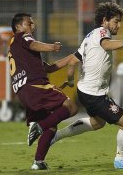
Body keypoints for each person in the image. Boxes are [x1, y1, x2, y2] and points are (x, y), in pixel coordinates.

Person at [51, 2, 123, 169]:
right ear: (105, 20)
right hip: (95, 94)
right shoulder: (102, 33)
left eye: (119, 22)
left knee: (98, 123)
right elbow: (106, 45)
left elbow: (73, 61)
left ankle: (56, 136)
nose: (118, 25)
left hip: (85, 90)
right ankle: (120, 159)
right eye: (116, 21)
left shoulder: (90, 36)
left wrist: (70, 80)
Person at [9, 13, 78, 170]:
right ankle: (38, 127)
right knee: (71, 107)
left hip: (25, 92)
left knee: (51, 126)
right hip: (35, 86)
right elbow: (33, 44)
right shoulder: (22, 37)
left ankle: (38, 162)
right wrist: (52, 47)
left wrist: (71, 57)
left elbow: (49, 68)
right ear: (18, 27)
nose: (32, 26)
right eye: (29, 23)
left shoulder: (19, 49)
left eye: (32, 24)